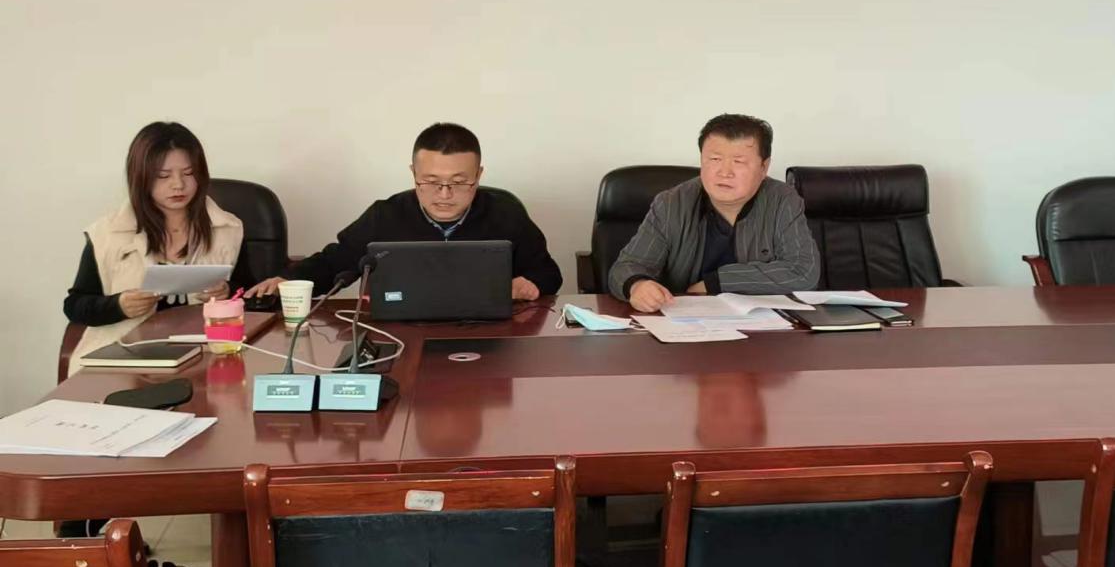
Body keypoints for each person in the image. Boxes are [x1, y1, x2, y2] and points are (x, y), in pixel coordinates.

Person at [247, 123, 562, 300]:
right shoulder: (386, 215)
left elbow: (549, 273)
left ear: (478, 176)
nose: (444, 195)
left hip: (492, 338)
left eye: (459, 182)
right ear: (414, 173)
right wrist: (287, 279)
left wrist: (529, 284)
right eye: (431, 181)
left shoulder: (505, 213)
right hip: (403, 335)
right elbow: (334, 263)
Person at [65, 122, 245, 372]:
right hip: (126, 359)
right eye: (163, 176)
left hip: (207, 356)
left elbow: (252, 292)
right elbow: (75, 305)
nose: (178, 185)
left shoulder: (228, 229)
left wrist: (228, 292)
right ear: (141, 177)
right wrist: (118, 306)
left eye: (188, 173)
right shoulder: (108, 234)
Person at [608, 113, 819, 312]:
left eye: (738, 162)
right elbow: (626, 267)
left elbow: (803, 272)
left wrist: (715, 283)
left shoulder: (782, 200)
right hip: (682, 324)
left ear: (764, 167)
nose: (724, 172)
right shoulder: (672, 203)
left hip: (761, 327)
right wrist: (636, 285)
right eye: (715, 159)